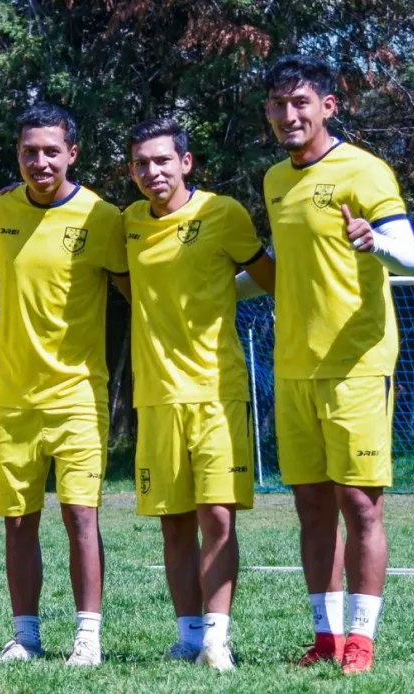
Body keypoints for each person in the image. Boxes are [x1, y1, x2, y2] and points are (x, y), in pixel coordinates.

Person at [262, 54, 414, 674]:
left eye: (300, 102)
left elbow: (411, 254)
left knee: (360, 504)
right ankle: (326, 638)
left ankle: (361, 640)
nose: (289, 114)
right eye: (278, 105)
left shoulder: (365, 170)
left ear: (328, 106)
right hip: (293, 366)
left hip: (356, 363)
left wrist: (373, 241)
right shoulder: (275, 180)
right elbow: (285, 260)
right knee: (310, 506)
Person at [0, 103, 124, 666]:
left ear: (72, 153)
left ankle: (88, 637)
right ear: (18, 155)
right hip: (11, 396)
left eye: (52, 151)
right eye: (30, 151)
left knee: (81, 516)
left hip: (78, 394)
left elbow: (137, 293)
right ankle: (25, 636)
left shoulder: (102, 217)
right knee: (18, 519)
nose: (40, 161)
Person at [112, 118, 276, 671]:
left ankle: (216, 639)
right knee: (174, 521)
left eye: (162, 160)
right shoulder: (128, 223)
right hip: (156, 395)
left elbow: (271, 278)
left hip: (216, 390)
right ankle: (187, 637)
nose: (152, 171)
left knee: (218, 518)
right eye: (141, 163)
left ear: (186, 162)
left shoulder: (223, 213)